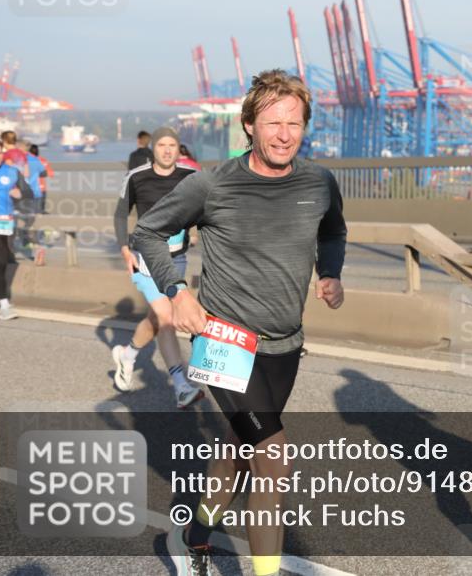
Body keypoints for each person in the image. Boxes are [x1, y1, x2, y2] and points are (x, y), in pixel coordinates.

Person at [132, 69, 347, 576]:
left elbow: (334, 230)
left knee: (239, 447)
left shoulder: (318, 181)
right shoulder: (213, 184)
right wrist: (178, 291)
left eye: (294, 123)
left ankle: (195, 535)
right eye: (272, 122)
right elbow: (147, 232)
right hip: (225, 343)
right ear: (249, 125)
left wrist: (330, 272)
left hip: (285, 347)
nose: (283, 133)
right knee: (272, 457)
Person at [111, 127, 204, 409]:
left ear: (178, 149)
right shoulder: (137, 177)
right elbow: (119, 214)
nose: (166, 150)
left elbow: (205, 209)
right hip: (145, 258)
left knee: (155, 318)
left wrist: (196, 228)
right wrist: (125, 250)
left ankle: (127, 354)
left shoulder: (191, 177)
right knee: (166, 316)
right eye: (161, 144)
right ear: (153, 148)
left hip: (177, 258)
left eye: (172, 145)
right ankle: (181, 386)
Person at [0, 138, 33, 320]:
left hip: (6, 224)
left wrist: (20, 193)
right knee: (1, 258)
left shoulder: (12, 172)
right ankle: (4, 305)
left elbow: (29, 192)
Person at [27, 144, 54, 214]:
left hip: (27, 187)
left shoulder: (25, 159)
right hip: (40, 188)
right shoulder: (42, 160)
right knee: (39, 211)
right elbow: (50, 173)